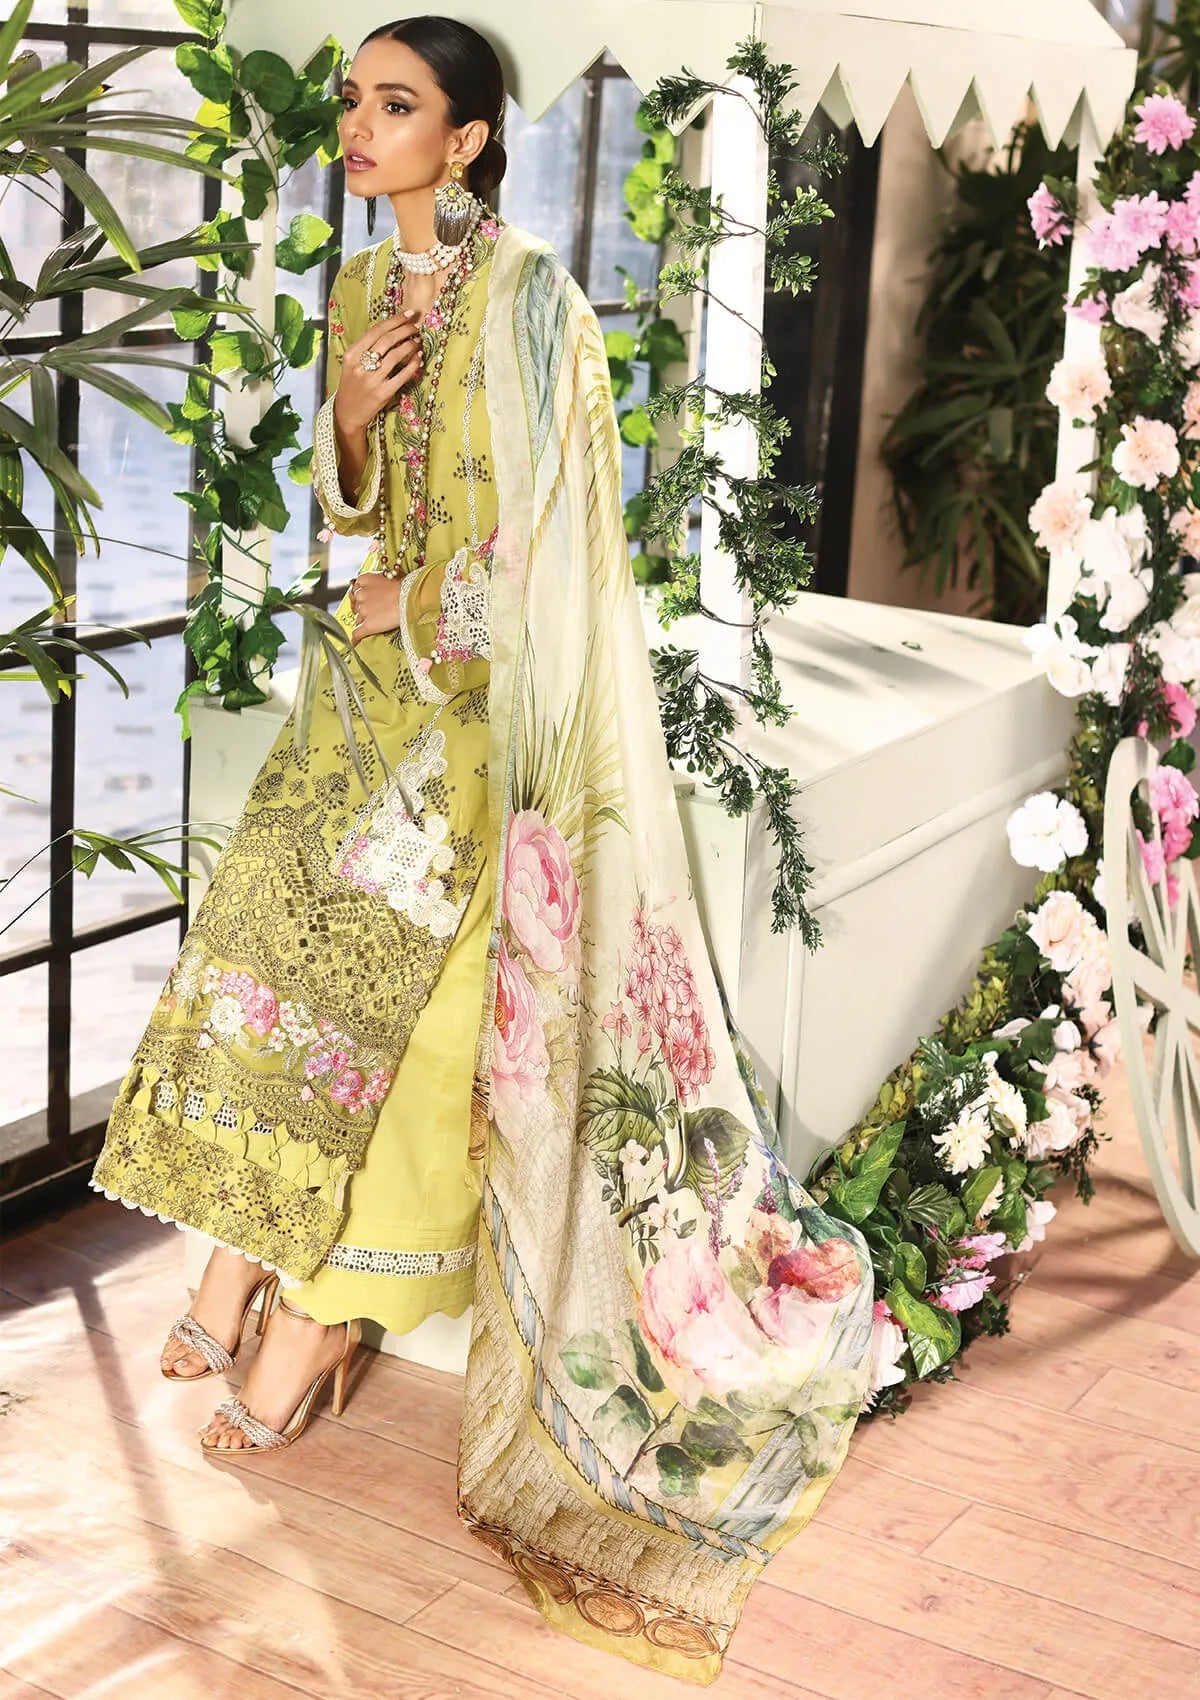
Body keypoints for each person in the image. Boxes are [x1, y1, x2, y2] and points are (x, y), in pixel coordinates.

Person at [89, 15, 875, 1682]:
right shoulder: (360, 291)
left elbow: (558, 551)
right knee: (285, 973)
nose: (360, 127)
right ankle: (236, 1268)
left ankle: (319, 1323)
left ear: (463, 144)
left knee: (424, 1023)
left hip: (480, 732)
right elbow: (355, 510)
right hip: (360, 712)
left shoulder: (537, 304)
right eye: (355, 101)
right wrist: (349, 423)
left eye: (399, 107)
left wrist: (416, 604)